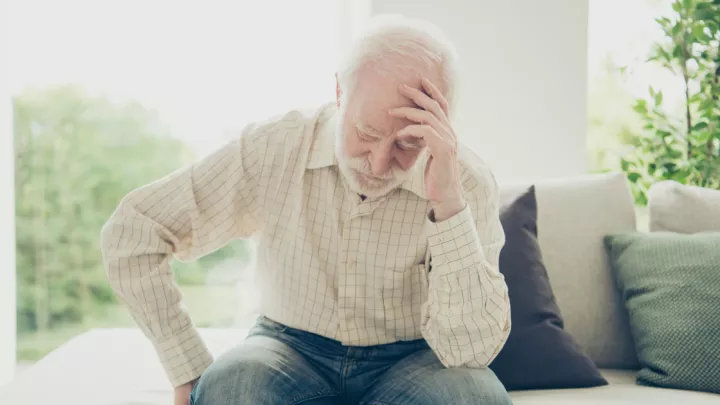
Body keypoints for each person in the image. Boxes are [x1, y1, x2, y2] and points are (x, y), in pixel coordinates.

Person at [101, 13, 512, 405]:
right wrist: (186, 367)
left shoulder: (467, 181)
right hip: (286, 347)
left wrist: (447, 205)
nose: (379, 163)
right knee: (232, 387)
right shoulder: (273, 149)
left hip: (416, 358)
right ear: (338, 94)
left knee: (472, 397)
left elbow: (469, 352)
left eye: (407, 143)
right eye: (366, 132)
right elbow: (133, 232)